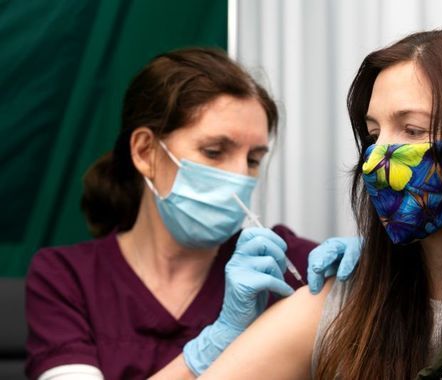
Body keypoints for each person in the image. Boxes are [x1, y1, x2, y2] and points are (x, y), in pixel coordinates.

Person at [197, 29, 442, 379]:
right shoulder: (349, 303)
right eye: (374, 134)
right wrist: (221, 335)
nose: (375, 159)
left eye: (412, 130)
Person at [25, 48, 361, 380]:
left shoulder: (285, 265)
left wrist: (376, 275)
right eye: (214, 152)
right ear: (144, 152)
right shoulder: (66, 279)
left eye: (254, 159)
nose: (241, 176)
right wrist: (214, 345)